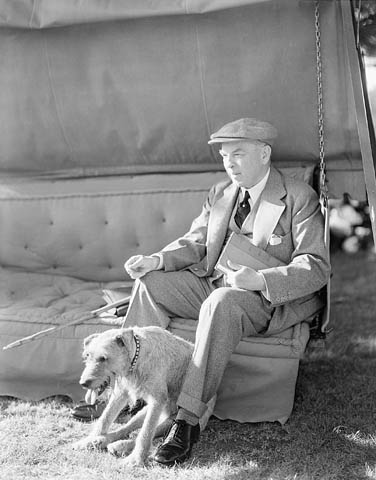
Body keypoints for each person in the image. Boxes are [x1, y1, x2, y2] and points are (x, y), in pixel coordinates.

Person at [119, 117, 331, 466]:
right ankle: (131, 389)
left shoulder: (298, 197)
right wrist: (155, 260)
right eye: (224, 156)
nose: (229, 163)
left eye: (238, 154)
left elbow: (316, 266)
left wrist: (261, 281)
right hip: (215, 283)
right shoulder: (220, 193)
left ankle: (186, 421)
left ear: (264, 154)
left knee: (221, 302)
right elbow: (196, 242)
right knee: (151, 283)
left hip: (265, 300)